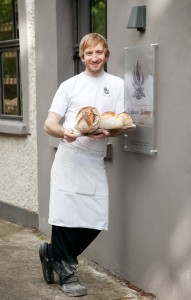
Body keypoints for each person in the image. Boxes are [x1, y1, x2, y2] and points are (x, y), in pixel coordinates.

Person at [39, 32, 125, 297]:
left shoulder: (117, 85)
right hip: (70, 157)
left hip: (94, 160)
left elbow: (120, 123)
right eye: (89, 53)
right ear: (82, 56)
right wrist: (64, 132)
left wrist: (109, 134)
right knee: (65, 217)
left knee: (96, 220)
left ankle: (53, 253)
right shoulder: (70, 86)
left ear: (106, 54)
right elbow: (49, 124)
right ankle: (67, 272)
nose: (94, 57)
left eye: (99, 52)